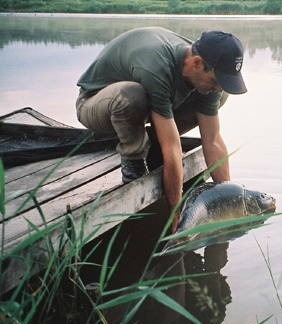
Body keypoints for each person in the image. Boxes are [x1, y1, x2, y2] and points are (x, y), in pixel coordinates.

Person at [75, 27, 247, 231]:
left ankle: (152, 142)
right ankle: (134, 160)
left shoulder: (205, 67)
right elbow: (172, 147)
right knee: (132, 95)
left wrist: (227, 199)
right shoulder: (156, 64)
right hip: (98, 104)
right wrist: (176, 211)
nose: (218, 86)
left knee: (219, 95)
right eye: (216, 80)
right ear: (197, 63)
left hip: (148, 106)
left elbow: (213, 140)